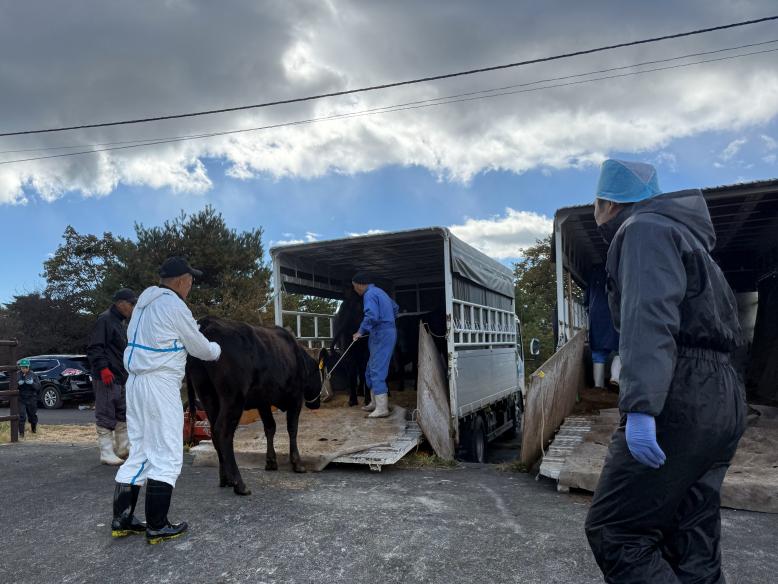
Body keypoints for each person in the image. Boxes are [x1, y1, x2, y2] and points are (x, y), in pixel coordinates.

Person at [584, 159, 746, 583]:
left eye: (595, 204)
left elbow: (649, 318)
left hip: (680, 390)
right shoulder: (691, 240)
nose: (594, 214)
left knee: (617, 532)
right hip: (722, 395)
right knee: (691, 534)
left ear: (607, 201)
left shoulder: (643, 230)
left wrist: (641, 406)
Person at [111, 257, 221, 544]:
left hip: (135, 384)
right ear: (182, 281)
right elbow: (200, 348)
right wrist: (216, 348)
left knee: (140, 452)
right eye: (191, 281)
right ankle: (158, 526)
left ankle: (122, 520)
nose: (191, 286)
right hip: (160, 383)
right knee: (168, 453)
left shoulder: (143, 306)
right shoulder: (174, 305)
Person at [87, 288, 136, 465]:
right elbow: (95, 347)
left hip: (120, 375)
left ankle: (123, 447)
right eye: (131, 303)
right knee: (106, 412)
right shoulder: (105, 319)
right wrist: (103, 369)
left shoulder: (119, 322)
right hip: (107, 375)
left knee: (123, 412)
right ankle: (106, 452)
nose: (133, 307)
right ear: (120, 303)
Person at [351, 273, 398, 418]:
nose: (354, 290)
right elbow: (396, 308)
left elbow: (371, 315)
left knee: (377, 369)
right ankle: (374, 402)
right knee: (370, 369)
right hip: (384, 331)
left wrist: (360, 331)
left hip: (381, 334)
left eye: (354, 287)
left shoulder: (369, 294)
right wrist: (389, 320)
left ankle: (382, 407)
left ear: (359, 284)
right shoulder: (380, 292)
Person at [584, 265, 620, 388]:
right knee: (621, 350)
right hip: (615, 314)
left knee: (598, 354)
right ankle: (616, 377)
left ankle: (598, 387)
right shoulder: (619, 273)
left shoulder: (593, 275)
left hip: (597, 317)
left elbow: (586, 302)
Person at [16, 358, 41, 438]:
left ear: (28, 367)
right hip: (21, 398)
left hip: (31, 398)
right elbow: (11, 386)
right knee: (22, 416)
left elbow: (38, 387)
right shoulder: (17, 375)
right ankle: (21, 434)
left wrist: (32, 383)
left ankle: (33, 430)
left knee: (32, 416)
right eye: (22, 367)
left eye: (25, 367)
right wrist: (18, 384)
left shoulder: (33, 375)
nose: (24, 369)